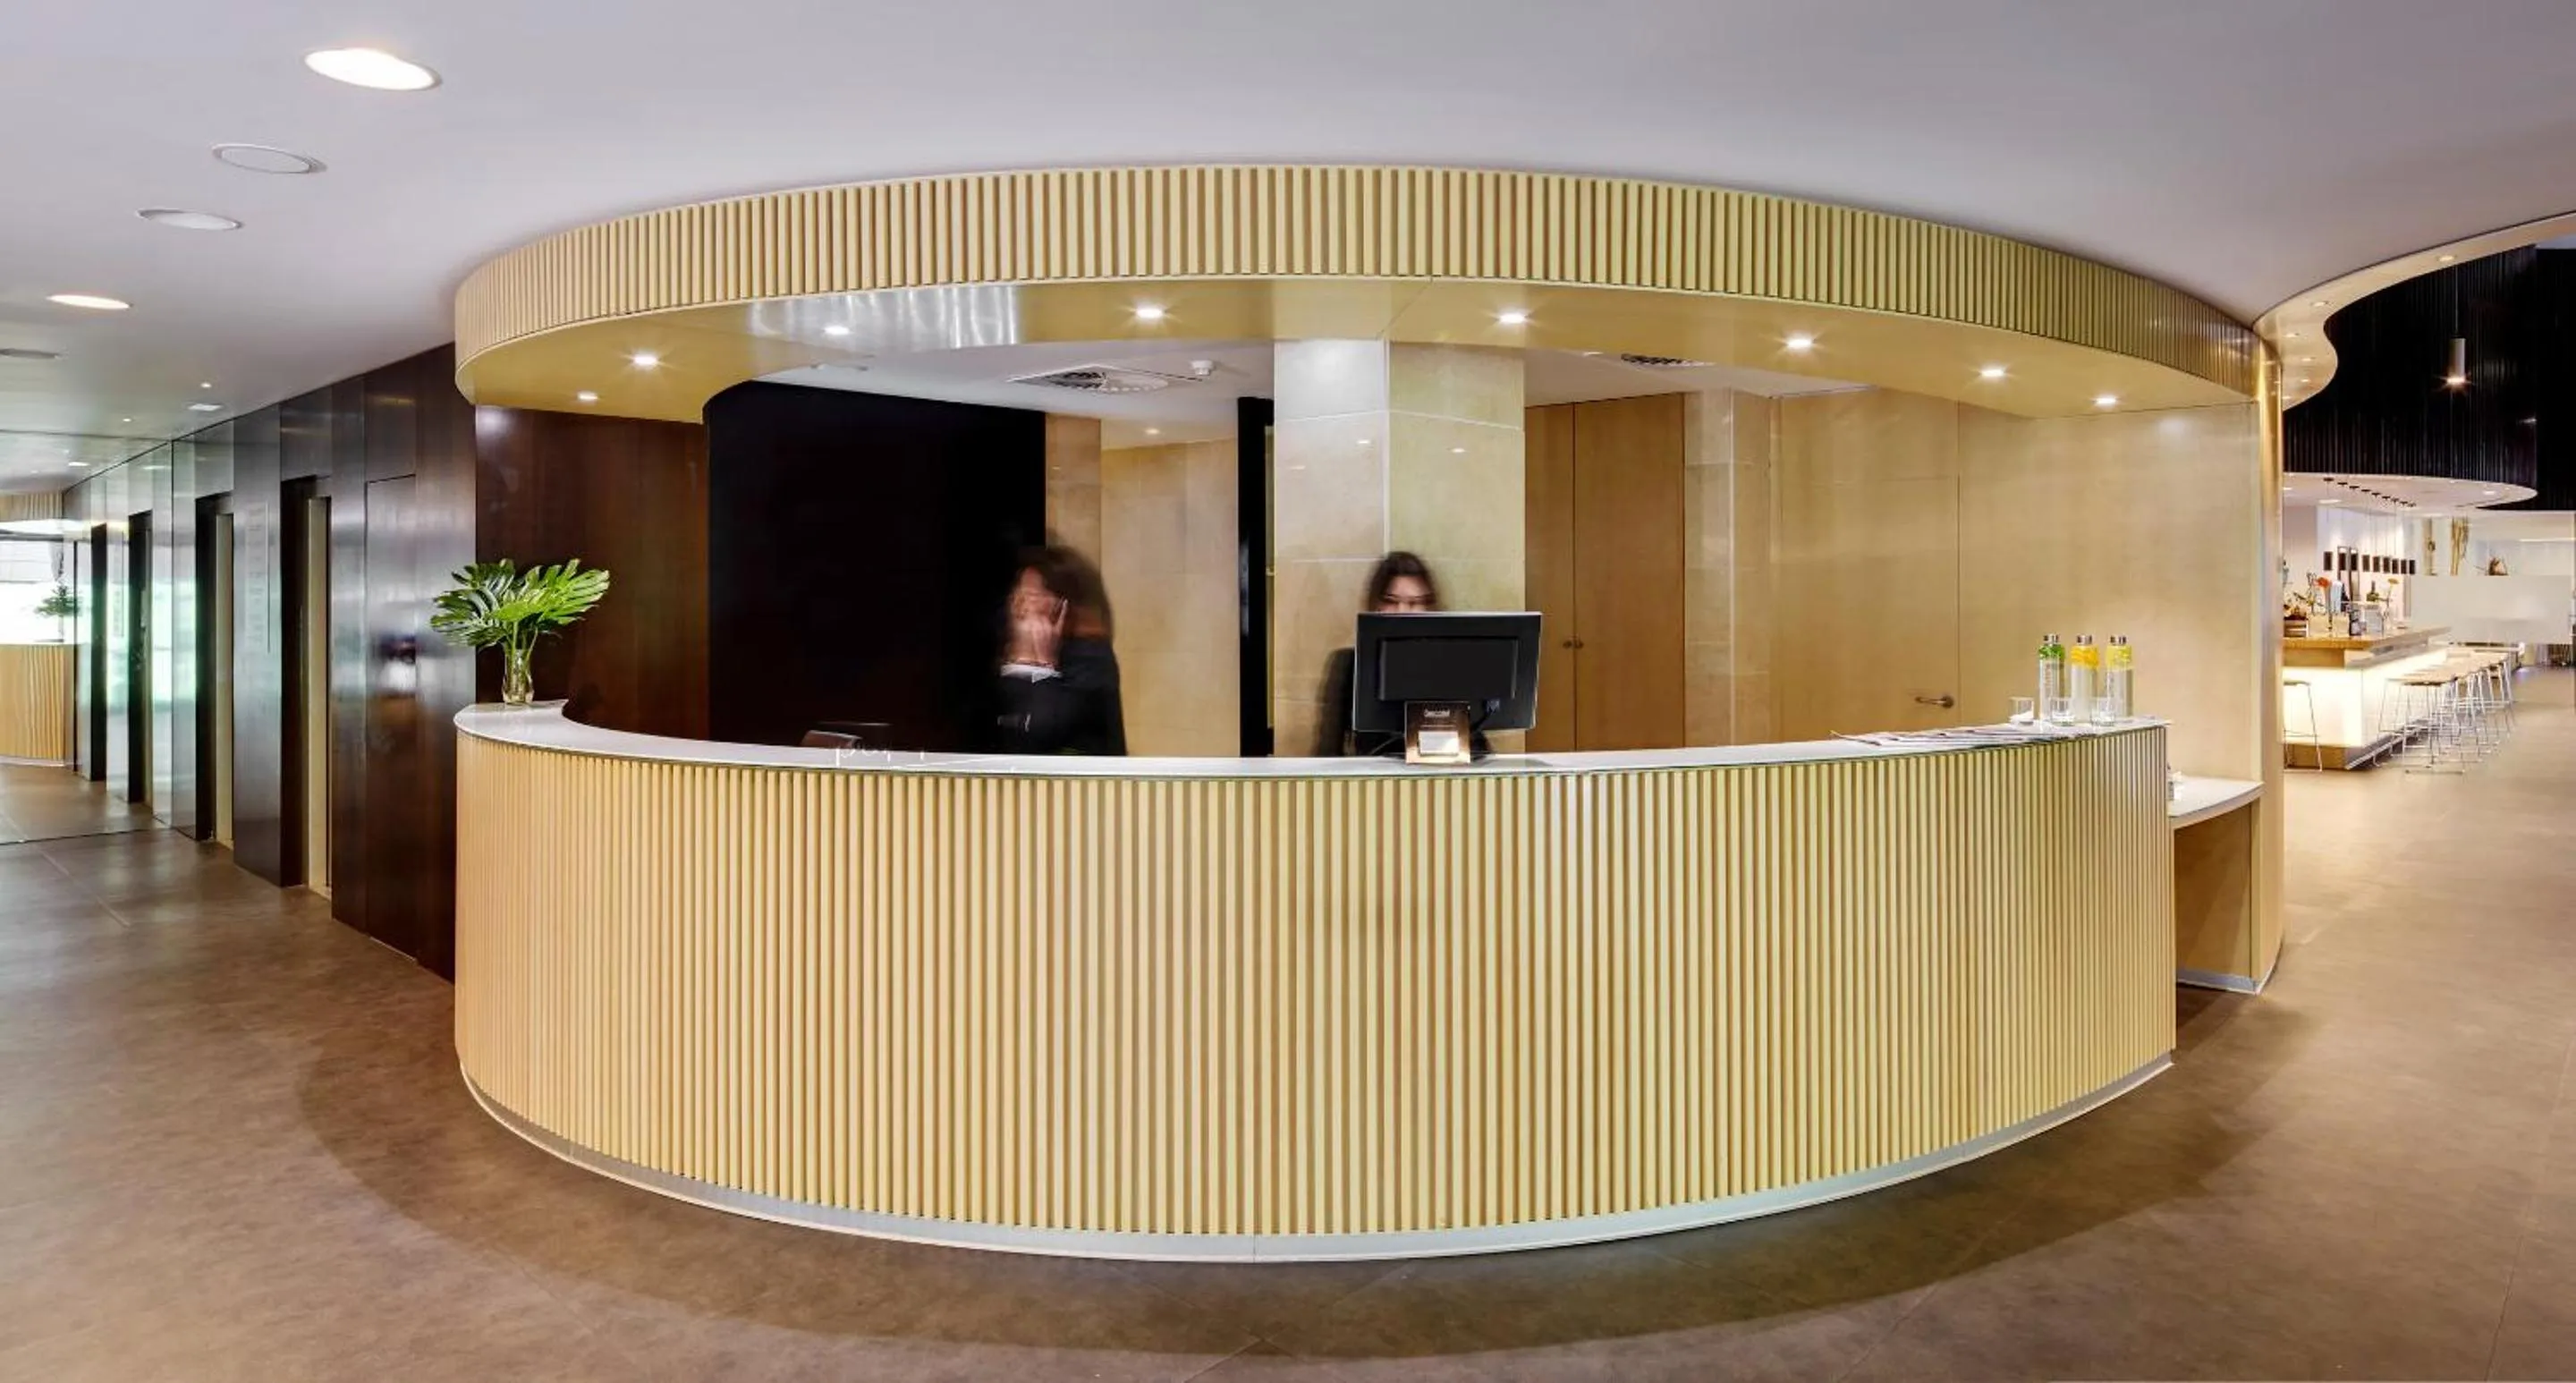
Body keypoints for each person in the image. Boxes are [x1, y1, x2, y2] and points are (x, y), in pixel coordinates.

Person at [1312, 550, 1447, 757]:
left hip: (1436, 784)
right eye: (1392, 601)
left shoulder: (1448, 667)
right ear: (1376, 605)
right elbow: (1326, 754)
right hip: (1369, 785)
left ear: (1430, 608)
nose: (1403, 612)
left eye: (1414, 603)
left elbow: (1477, 748)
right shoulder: (1350, 666)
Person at [994, 546, 1127, 755]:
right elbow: (1002, 730)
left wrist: (1040, 665)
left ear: (1063, 605)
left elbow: (1038, 736)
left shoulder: (1092, 658)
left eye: (1032, 595)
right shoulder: (1012, 650)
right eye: (1018, 593)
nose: (1019, 604)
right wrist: (1020, 662)